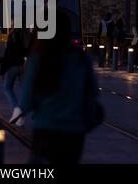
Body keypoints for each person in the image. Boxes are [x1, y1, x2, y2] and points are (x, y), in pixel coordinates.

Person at [20, 10, 103, 164]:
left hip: (45, 131)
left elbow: (25, 103)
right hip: (74, 134)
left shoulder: (38, 59)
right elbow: (92, 95)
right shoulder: (81, 58)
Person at [0, 27, 27, 127]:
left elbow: (7, 55)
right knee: (23, 90)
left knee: (7, 88)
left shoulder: (12, 36)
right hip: (22, 66)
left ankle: (16, 108)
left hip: (12, 66)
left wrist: (2, 71)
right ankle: (21, 118)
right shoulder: (25, 35)